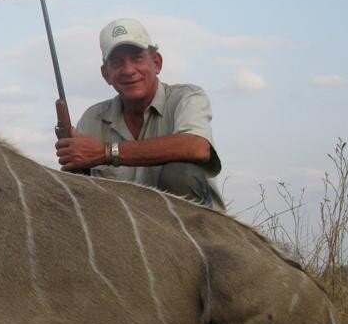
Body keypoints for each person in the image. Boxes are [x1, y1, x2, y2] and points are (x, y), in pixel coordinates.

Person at [55, 18, 225, 209]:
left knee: (180, 173)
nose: (128, 70)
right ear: (106, 74)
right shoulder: (92, 118)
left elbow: (197, 147)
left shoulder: (187, 97)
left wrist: (106, 152)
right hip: (124, 231)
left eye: (137, 58)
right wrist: (75, 163)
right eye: (117, 62)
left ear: (156, 63)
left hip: (193, 232)